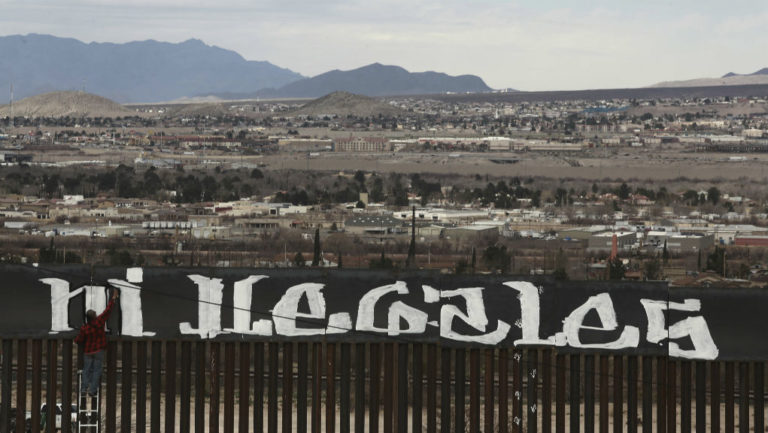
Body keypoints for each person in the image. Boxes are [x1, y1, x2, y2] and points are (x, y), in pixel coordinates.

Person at [75, 289, 119, 397]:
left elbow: (79, 340)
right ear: (94, 316)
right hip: (99, 351)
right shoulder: (99, 322)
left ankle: (84, 389)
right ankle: (92, 390)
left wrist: (76, 339)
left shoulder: (85, 328)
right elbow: (108, 311)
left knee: (86, 371)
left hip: (88, 352)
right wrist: (113, 298)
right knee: (96, 371)